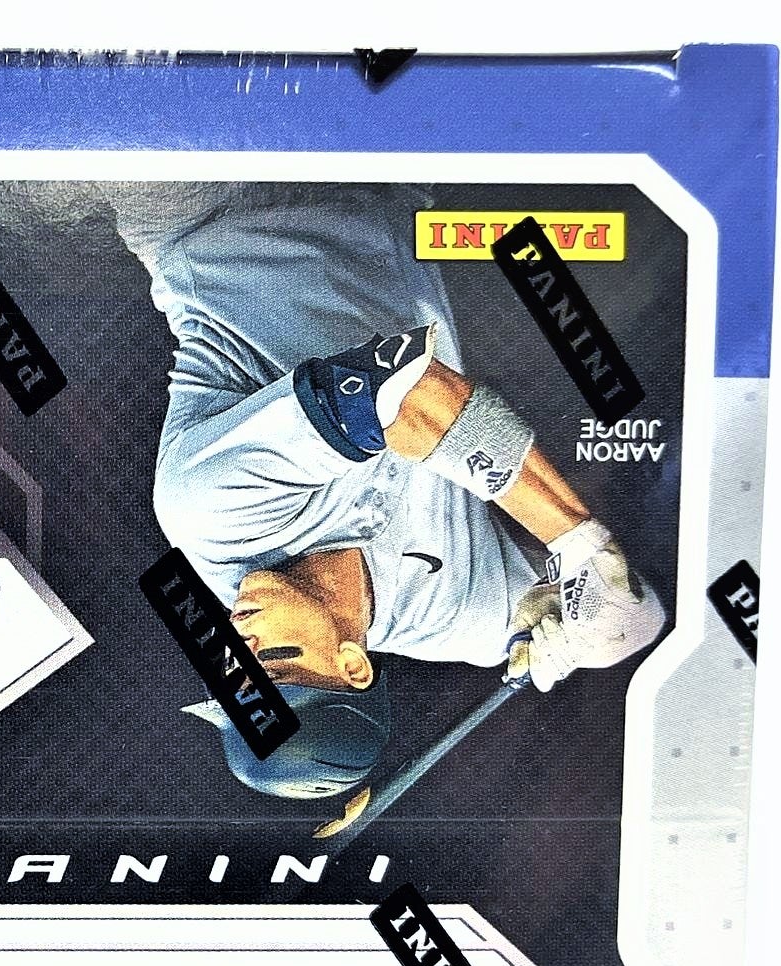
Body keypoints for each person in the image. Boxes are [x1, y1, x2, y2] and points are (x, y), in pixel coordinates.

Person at [114, 182, 665, 799]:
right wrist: (602, 633)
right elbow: (642, 616)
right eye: (272, 663)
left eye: (233, 675)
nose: (239, 647)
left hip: (210, 197)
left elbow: (402, 392)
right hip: (388, 195)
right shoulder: (450, 621)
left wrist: (580, 541)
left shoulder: (209, 518)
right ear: (352, 665)